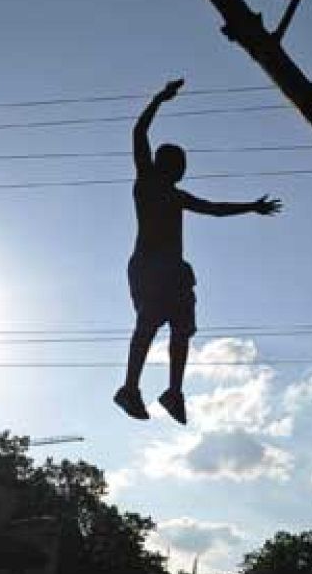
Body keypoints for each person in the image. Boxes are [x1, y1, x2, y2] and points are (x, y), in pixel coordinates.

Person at [113, 79, 282, 424]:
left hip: (173, 270)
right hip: (150, 266)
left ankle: (173, 392)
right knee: (148, 323)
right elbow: (139, 132)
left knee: (182, 327)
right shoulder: (147, 181)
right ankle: (130, 388)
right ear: (164, 164)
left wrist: (251, 207)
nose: (182, 171)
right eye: (178, 165)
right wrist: (159, 99)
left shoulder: (178, 196)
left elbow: (215, 208)